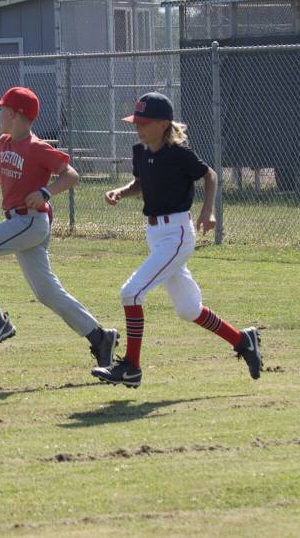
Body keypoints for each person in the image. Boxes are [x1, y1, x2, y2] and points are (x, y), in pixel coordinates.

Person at [92, 92, 263, 387]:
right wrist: (121, 191)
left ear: (163, 124)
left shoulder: (179, 153)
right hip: (156, 235)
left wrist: (208, 212)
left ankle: (131, 367)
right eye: (136, 121)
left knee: (131, 293)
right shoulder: (140, 151)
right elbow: (142, 182)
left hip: (178, 234)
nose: (138, 127)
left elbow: (209, 175)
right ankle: (243, 340)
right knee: (188, 309)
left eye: (144, 122)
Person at [0, 86, 118, 368]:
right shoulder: (4, 143)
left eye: (2, 110)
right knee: (46, 291)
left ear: (15, 114)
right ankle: (99, 337)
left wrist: (46, 192)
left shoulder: (36, 147)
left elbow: (71, 175)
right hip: (19, 223)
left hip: (30, 221)